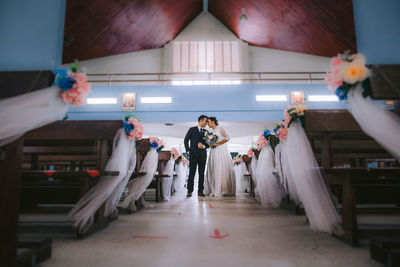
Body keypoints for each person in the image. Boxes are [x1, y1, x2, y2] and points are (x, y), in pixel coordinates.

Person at [205, 117, 236, 197]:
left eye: (208, 122)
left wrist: (217, 144)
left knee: (220, 167)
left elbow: (227, 138)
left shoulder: (220, 128)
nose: (207, 123)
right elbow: (211, 142)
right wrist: (210, 143)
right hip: (213, 151)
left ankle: (222, 189)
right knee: (213, 168)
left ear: (212, 121)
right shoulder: (212, 132)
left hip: (221, 150)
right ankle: (213, 189)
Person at [184, 115, 209, 197]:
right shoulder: (192, 129)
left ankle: (200, 191)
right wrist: (187, 150)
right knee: (192, 172)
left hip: (203, 155)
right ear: (201, 121)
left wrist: (204, 146)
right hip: (193, 154)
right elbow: (186, 140)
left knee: (201, 173)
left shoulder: (206, 131)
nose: (206, 123)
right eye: (205, 121)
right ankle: (189, 191)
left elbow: (209, 143)